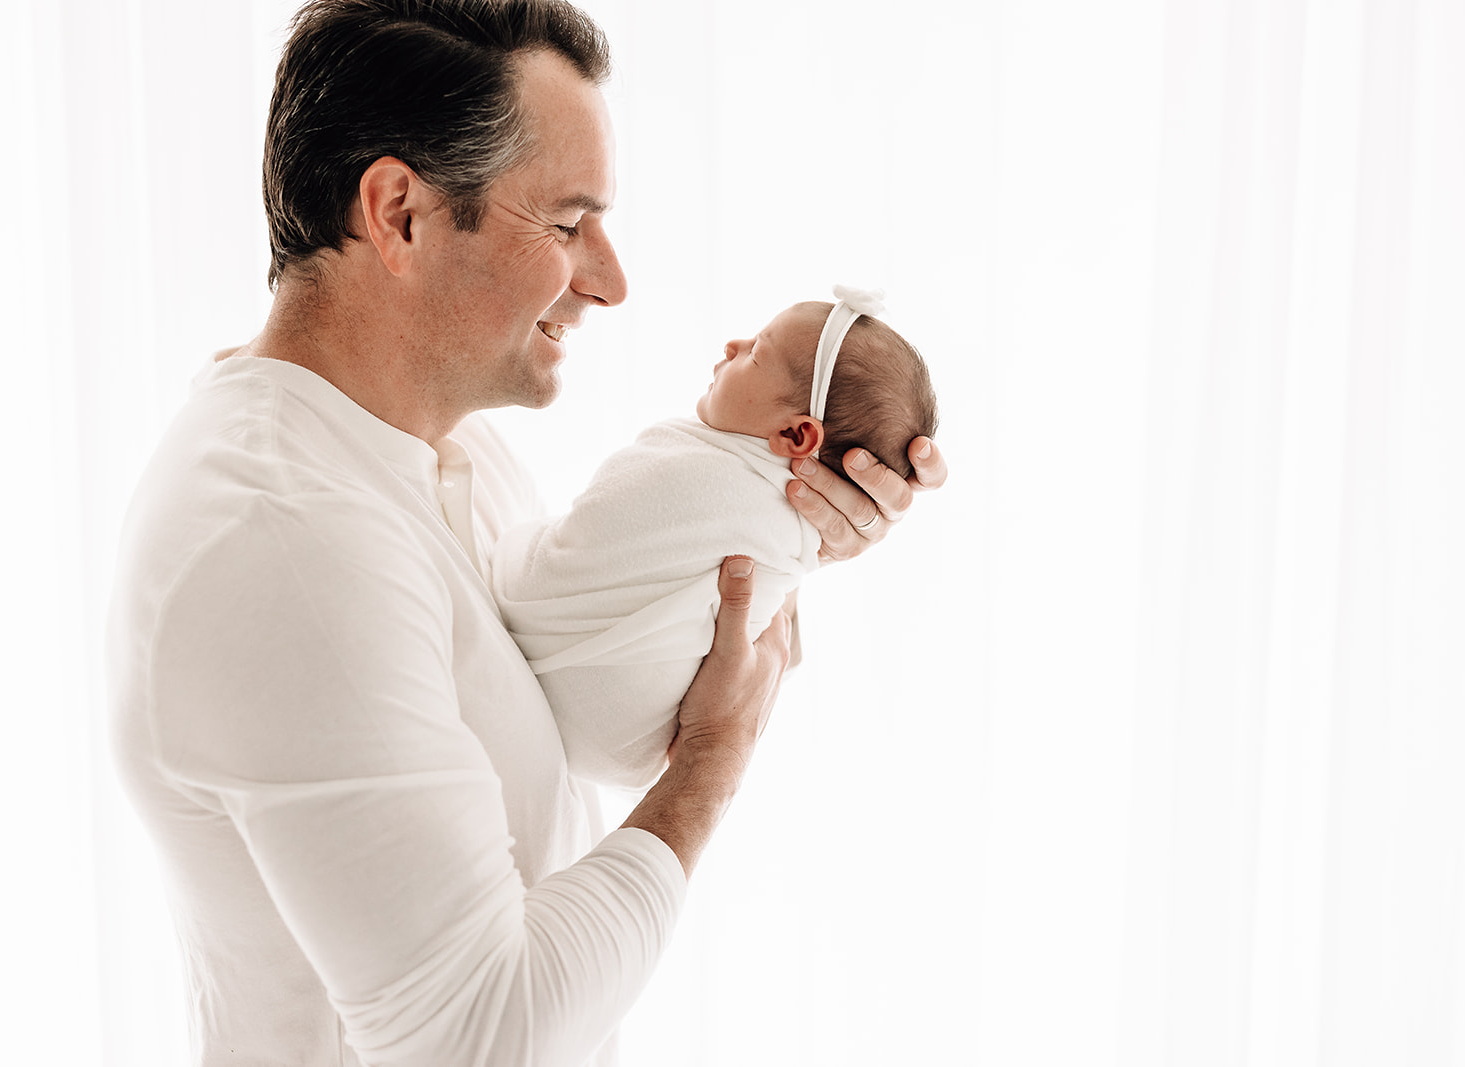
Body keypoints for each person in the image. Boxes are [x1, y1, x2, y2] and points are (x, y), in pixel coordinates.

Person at [107, 1, 948, 1065]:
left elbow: (589, 657)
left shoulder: (431, 448)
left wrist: (784, 520)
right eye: (565, 225)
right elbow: (479, 1036)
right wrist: (710, 766)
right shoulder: (282, 539)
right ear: (399, 212)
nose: (610, 279)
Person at [492, 286, 940, 788]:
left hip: (556, 683)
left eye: (756, 354)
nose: (733, 346)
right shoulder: (796, 527)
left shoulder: (700, 476)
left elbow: (602, 523)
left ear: (796, 436)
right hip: (624, 742)